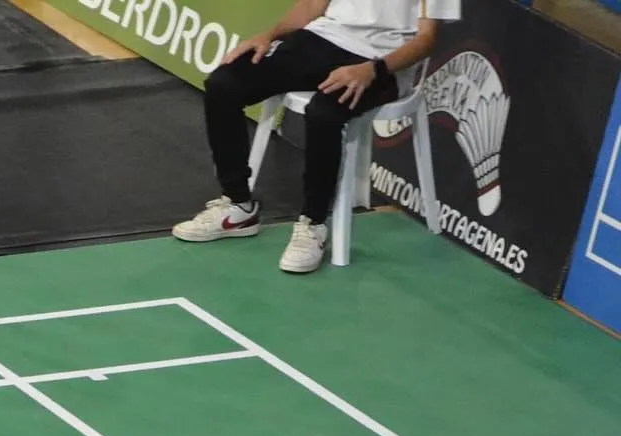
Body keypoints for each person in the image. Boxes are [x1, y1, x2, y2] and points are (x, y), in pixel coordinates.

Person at [172, 0, 461, 273]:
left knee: (324, 113)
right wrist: (269, 35)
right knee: (224, 84)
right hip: (323, 39)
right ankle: (237, 207)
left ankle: (313, 223)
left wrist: (373, 69)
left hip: (382, 62)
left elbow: (426, 41)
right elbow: (312, 5)